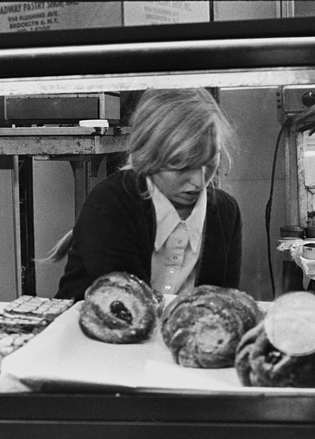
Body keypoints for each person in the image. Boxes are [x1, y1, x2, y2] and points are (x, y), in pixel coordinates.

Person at [47, 87, 242, 301]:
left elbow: (222, 305)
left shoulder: (226, 213)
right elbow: (129, 309)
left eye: (209, 161)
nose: (199, 181)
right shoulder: (111, 204)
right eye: (180, 166)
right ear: (147, 157)